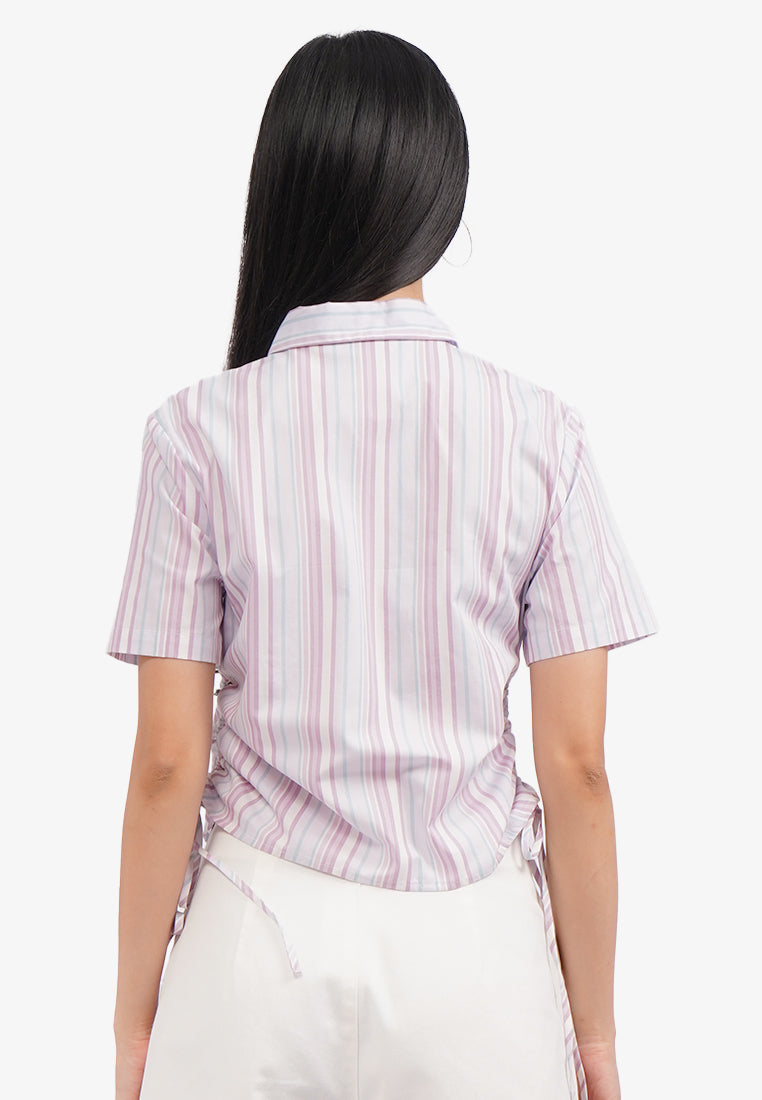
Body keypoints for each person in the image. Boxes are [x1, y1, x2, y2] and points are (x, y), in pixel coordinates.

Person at [106, 29, 658, 1100]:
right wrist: (594, 1034)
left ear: (282, 192)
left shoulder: (195, 433)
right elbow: (578, 763)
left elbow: (169, 760)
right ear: (441, 198)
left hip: (255, 948)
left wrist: (135, 1019)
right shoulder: (540, 434)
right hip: (476, 958)